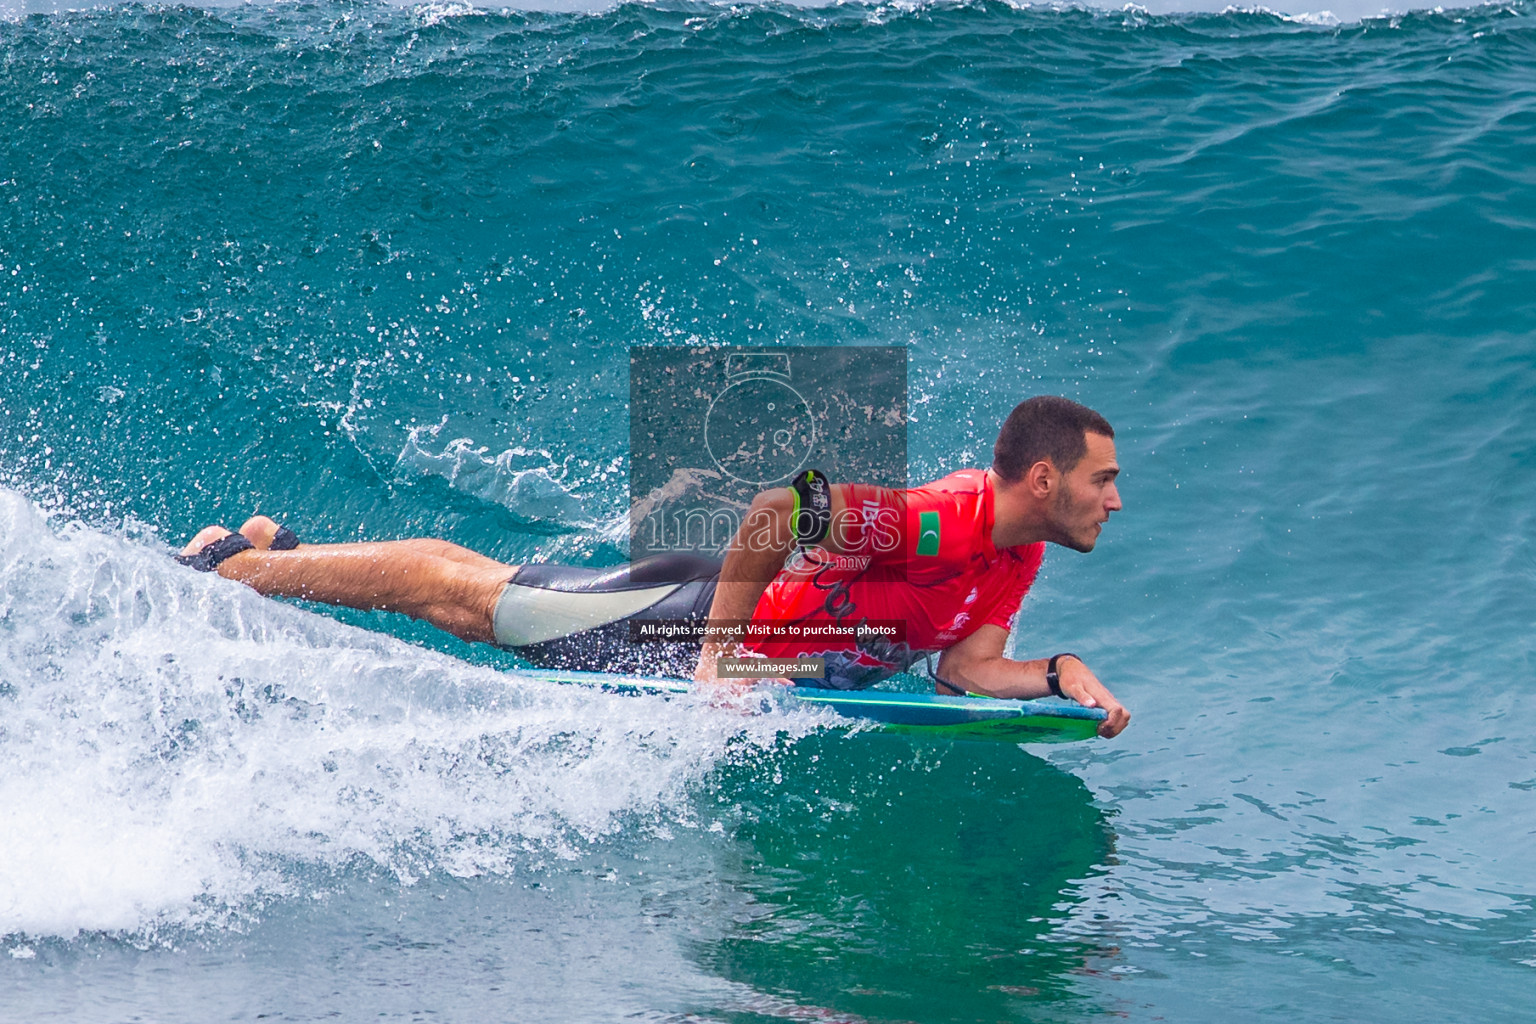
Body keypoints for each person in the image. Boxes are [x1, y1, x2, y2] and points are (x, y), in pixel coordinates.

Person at [177, 395, 1130, 737]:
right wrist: (717, 659)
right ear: (1043, 478)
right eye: (1103, 480)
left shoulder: (1013, 557)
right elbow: (777, 508)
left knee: (489, 590)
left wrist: (1057, 674)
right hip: (685, 619)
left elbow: (964, 668)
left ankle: (285, 552)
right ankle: (233, 567)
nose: (1116, 500)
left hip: (711, 620)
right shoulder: (940, 524)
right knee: (468, 602)